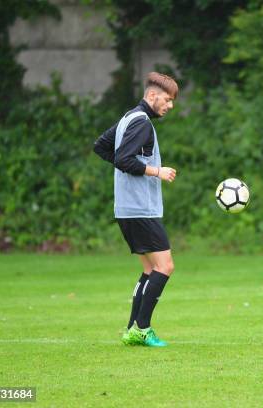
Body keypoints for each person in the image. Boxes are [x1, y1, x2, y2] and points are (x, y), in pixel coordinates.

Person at [93, 72, 178, 347]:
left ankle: (132, 328)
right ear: (152, 95)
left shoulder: (129, 118)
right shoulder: (141, 123)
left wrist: (127, 171)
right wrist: (157, 172)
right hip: (141, 209)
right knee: (165, 267)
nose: (170, 106)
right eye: (167, 99)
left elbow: (102, 147)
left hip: (127, 208)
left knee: (149, 270)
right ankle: (142, 328)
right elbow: (124, 159)